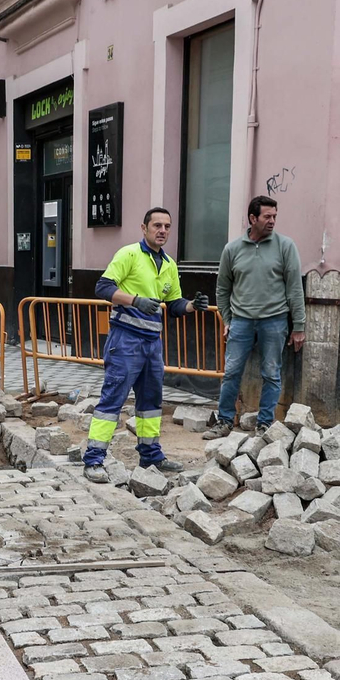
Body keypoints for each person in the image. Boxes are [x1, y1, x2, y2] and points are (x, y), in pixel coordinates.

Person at [82, 207, 210, 482]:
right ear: (144, 228)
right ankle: (93, 459)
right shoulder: (129, 254)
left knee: (151, 402)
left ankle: (151, 455)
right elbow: (102, 288)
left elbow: (173, 304)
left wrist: (191, 306)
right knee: (113, 398)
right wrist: (134, 300)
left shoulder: (169, 264)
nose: (162, 231)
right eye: (157, 226)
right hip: (125, 340)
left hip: (152, 343)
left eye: (167, 226)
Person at [203, 196, 306, 439]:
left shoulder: (285, 246)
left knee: (271, 373)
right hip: (241, 322)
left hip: (275, 320)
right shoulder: (232, 249)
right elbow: (222, 289)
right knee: (231, 373)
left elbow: (294, 288)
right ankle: (225, 421)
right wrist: (227, 320)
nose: (272, 221)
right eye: (267, 217)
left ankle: (264, 424)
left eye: (274, 217)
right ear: (253, 218)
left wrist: (299, 326)